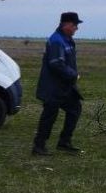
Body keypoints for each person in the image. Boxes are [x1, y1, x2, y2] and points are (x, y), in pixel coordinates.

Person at [32, 11, 84, 155]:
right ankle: (39, 146)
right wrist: (74, 75)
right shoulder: (57, 41)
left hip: (64, 87)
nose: (76, 28)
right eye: (74, 25)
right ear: (66, 24)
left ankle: (64, 142)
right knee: (49, 116)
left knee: (75, 109)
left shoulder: (66, 40)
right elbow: (56, 64)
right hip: (53, 87)